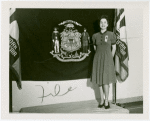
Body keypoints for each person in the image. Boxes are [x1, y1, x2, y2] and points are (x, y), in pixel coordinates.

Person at [91, 15, 116, 109]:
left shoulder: (111, 34)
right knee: (99, 82)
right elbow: (95, 48)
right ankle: (101, 100)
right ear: (99, 24)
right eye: (101, 22)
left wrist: (109, 58)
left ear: (108, 24)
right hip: (98, 60)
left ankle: (106, 101)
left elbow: (114, 48)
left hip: (107, 60)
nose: (103, 24)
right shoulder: (95, 36)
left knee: (105, 81)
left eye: (105, 22)